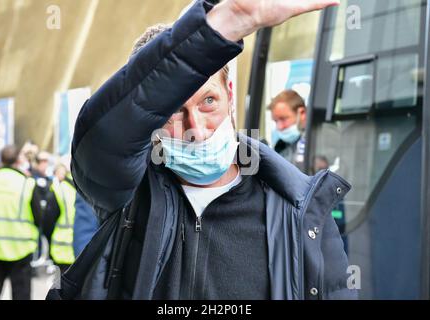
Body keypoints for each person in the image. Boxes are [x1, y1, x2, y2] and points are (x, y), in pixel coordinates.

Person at [47, 0, 356, 300]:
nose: (196, 128)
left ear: (230, 95)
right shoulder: (127, 196)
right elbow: (102, 135)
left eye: (208, 101)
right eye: (173, 112)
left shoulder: (301, 210)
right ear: (145, 121)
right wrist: (222, 25)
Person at [0, 145, 42, 300]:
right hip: (21, 249)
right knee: (21, 294)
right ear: (18, 160)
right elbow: (39, 217)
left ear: (0, 159)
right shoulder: (27, 184)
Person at [41, 163, 77, 274]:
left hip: (61, 251)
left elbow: (47, 222)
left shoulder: (58, 190)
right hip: (84, 251)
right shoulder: (91, 189)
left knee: (58, 287)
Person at [269, 90, 307, 171]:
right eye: (276, 121)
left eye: (283, 119)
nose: (279, 127)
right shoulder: (280, 147)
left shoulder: (320, 140)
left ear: (302, 113)